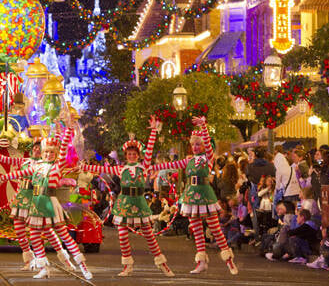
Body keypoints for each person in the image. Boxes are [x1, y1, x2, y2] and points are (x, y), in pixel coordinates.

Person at [78, 116, 173, 277]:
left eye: (133, 154)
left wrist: (152, 132)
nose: (131, 156)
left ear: (138, 155)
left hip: (139, 202)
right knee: (122, 234)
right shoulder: (121, 169)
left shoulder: (144, 167)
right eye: (128, 154)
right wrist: (84, 166)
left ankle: (162, 264)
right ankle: (127, 265)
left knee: (149, 234)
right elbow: (103, 170)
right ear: (125, 155)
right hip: (124, 203)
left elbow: (149, 150)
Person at [0, 127, 93, 280]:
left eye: (51, 152)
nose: (48, 154)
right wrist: (3, 178)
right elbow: (21, 173)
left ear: (55, 154)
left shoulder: (56, 166)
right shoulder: (35, 165)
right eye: (46, 152)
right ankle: (43, 268)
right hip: (36, 203)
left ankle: (82, 266)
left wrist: (67, 133)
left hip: (49, 202)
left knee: (63, 234)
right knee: (35, 235)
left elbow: (63, 153)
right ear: (42, 153)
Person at [150, 116, 238, 275]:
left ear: (204, 145)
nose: (196, 147)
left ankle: (229, 260)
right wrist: (153, 167)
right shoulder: (188, 161)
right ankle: (201, 262)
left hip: (205, 195)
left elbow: (208, 145)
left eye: (198, 144)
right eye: (193, 144)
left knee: (215, 228)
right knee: (196, 230)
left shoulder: (208, 158)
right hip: (191, 196)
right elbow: (170, 165)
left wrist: (203, 125)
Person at [0, 139, 74, 271]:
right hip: (22, 198)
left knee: (47, 231)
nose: (37, 150)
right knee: (20, 231)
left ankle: (65, 260)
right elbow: (6, 160)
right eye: (35, 148)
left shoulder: (45, 164)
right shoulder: (24, 161)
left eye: (40, 148)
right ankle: (29, 260)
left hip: (36, 199)